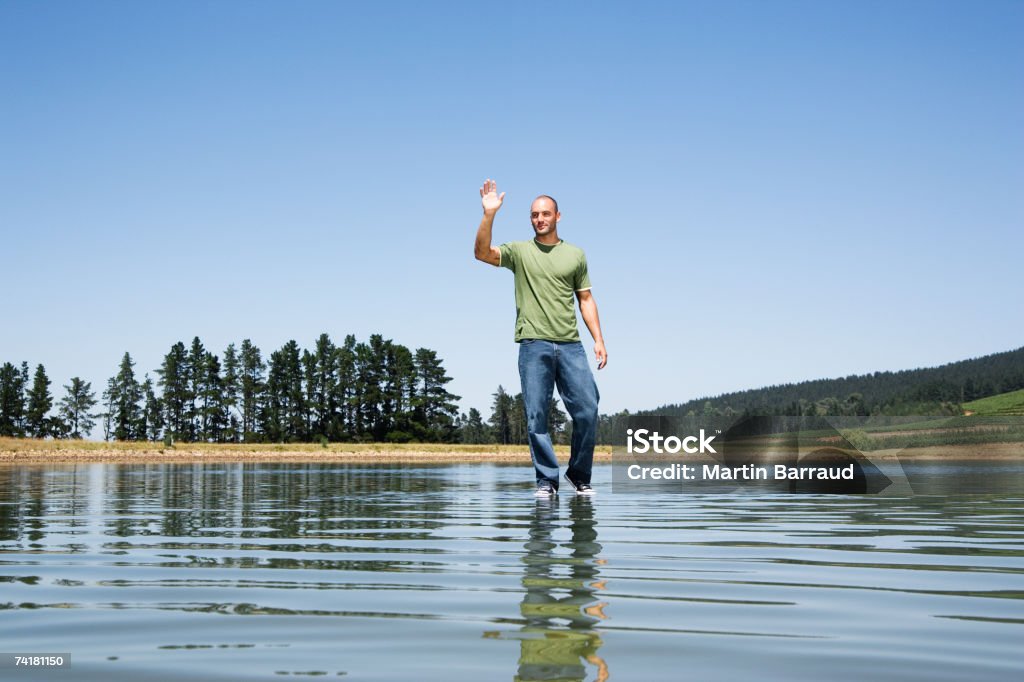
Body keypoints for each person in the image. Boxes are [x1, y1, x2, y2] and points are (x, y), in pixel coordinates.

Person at [474, 178, 607, 497]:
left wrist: (598, 339)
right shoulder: (519, 252)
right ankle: (547, 480)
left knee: (588, 410)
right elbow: (481, 253)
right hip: (533, 344)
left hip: (571, 345)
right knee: (536, 416)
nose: (539, 219)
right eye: (534, 215)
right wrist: (489, 215)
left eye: (545, 214)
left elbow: (585, 299)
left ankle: (579, 474)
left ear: (558, 217)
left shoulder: (575, 255)